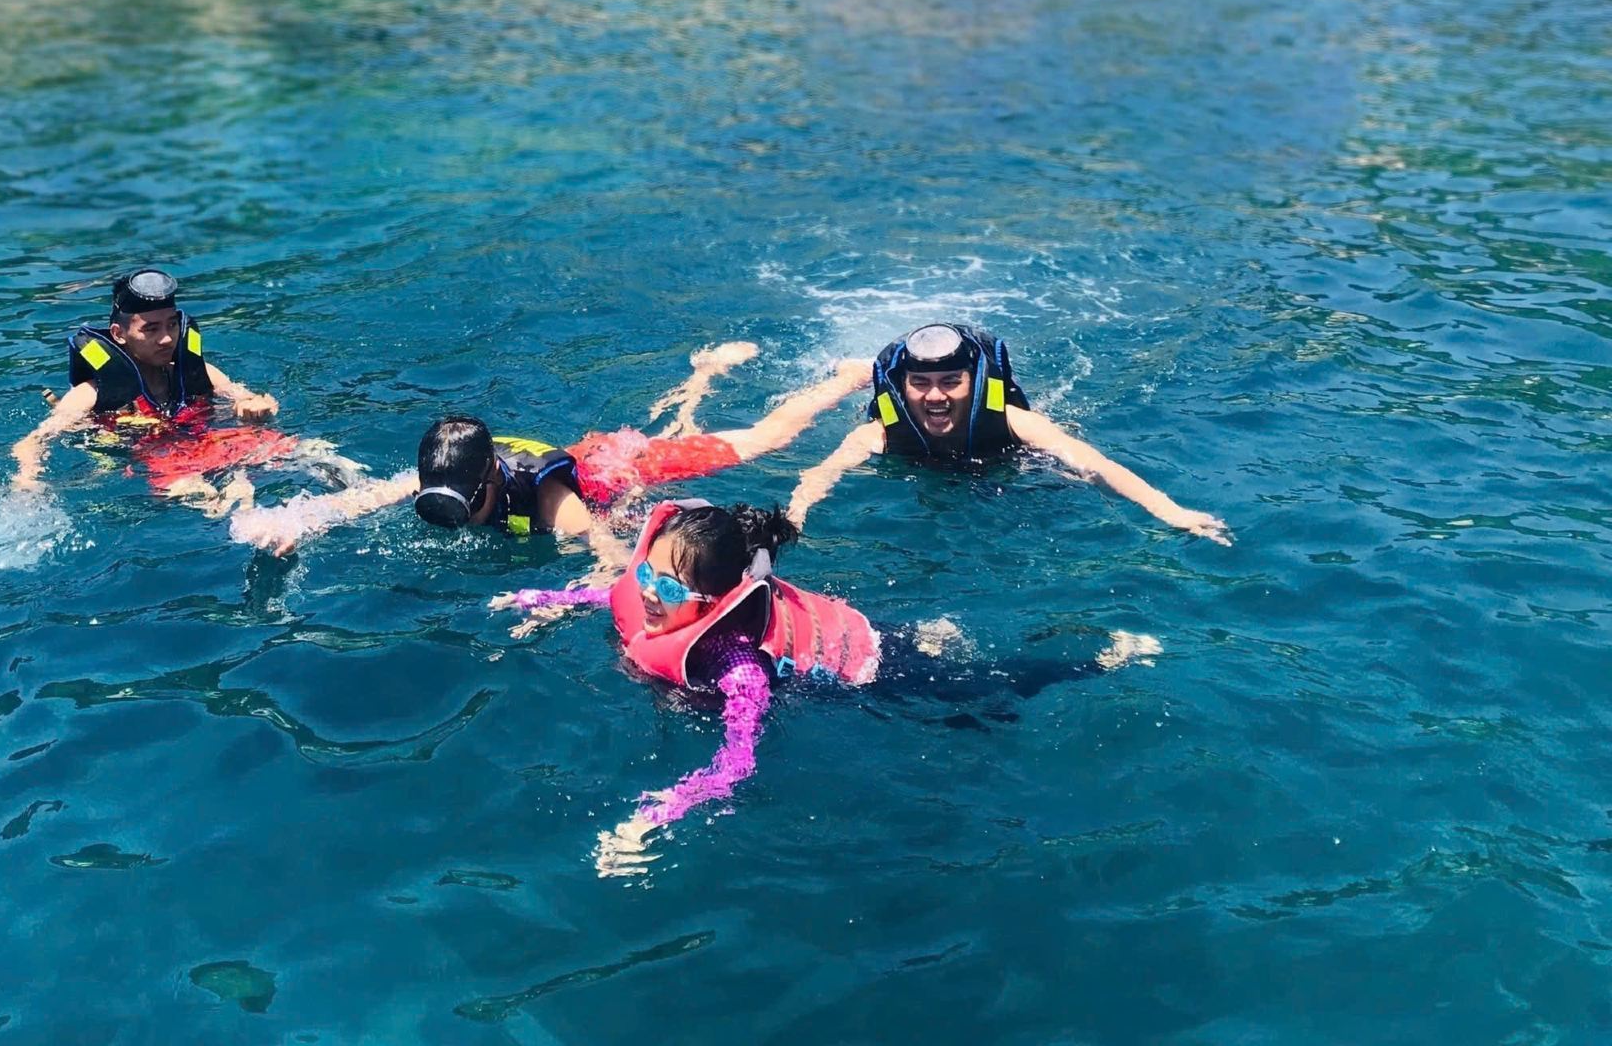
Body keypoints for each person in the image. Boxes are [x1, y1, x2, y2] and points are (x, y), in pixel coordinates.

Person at [492, 498, 1161, 874]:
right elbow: (610, 596)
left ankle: (1096, 659)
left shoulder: (736, 665)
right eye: (648, 575)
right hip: (856, 627)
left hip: (874, 673)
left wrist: (658, 813)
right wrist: (535, 601)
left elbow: (736, 762)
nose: (648, 593)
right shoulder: (653, 594)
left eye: (667, 587)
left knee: (987, 697)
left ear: (719, 599)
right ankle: (932, 629)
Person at [227, 344, 868, 559]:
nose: (449, 520)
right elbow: (358, 499)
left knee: (762, 441)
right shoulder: (446, 476)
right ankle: (700, 378)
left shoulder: (552, 503)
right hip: (590, 452)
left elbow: (606, 553)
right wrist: (289, 526)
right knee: (673, 423)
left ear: (489, 485)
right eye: (435, 506)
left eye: (459, 507)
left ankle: (842, 378)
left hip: (622, 469)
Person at [788, 323, 1228, 540]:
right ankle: (853, 372)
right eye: (920, 384)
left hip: (999, 466)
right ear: (903, 388)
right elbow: (821, 474)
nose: (935, 396)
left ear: (974, 384)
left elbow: (1095, 465)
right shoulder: (880, 434)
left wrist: (1171, 512)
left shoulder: (1014, 421)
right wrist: (794, 518)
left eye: (950, 382)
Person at [10, 269, 284, 508]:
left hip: (209, 444)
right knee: (205, 495)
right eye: (150, 329)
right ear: (118, 334)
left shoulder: (200, 374)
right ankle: (254, 530)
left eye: (172, 325)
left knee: (306, 452)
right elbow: (32, 441)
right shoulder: (90, 394)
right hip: (159, 464)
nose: (166, 339)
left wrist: (256, 406)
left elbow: (250, 397)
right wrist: (28, 479)